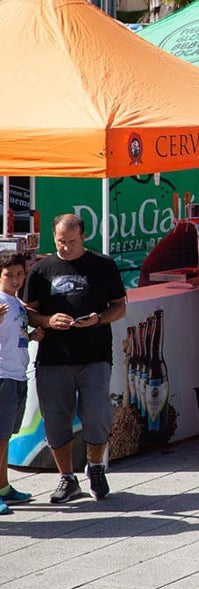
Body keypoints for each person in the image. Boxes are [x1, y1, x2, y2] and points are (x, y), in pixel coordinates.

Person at [24, 214, 127, 502]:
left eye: (71, 241)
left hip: (94, 354)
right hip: (53, 358)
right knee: (56, 419)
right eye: (60, 241)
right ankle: (66, 478)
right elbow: (27, 311)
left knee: (97, 414)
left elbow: (120, 307)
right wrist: (46, 320)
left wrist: (98, 319)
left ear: (83, 237)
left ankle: (95, 467)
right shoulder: (41, 269)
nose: (66, 246)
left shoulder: (103, 265)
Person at [0, 251, 38, 512]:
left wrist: (33, 336)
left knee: (6, 439)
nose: (15, 280)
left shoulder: (16, 303)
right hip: (3, 377)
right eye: (8, 275)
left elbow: (15, 337)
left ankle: (3, 487)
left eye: (19, 274)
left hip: (17, 375)